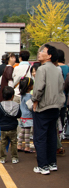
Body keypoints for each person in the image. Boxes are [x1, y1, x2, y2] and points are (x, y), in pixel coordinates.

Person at [32, 44, 65, 175]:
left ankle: (43, 166)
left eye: (42, 51)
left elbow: (39, 88)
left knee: (40, 137)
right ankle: (52, 163)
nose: (39, 53)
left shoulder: (42, 69)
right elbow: (61, 88)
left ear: (49, 55)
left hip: (44, 106)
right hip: (56, 106)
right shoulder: (57, 70)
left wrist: (35, 101)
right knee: (52, 135)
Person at [0, 86, 21, 164]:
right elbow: (19, 114)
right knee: (14, 142)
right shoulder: (16, 105)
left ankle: (2, 158)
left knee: (3, 142)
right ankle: (14, 157)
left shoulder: (0, 105)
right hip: (13, 127)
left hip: (3, 127)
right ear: (13, 96)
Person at [17, 77, 34, 153]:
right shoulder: (28, 96)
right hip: (28, 116)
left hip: (23, 115)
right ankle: (27, 147)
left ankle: (19, 145)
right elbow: (30, 106)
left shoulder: (22, 95)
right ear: (30, 86)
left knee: (22, 131)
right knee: (27, 132)